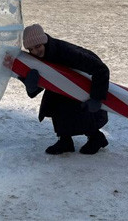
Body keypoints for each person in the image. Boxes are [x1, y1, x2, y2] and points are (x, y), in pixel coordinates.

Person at [17, 24, 110, 155]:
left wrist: (96, 98)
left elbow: (101, 69)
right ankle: (65, 141)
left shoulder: (67, 52)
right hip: (62, 87)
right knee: (56, 104)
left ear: (45, 42)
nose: (36, 52)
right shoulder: (37, 58)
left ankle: (96, 138)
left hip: (86, 83)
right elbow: (40, 85)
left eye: (38, 46)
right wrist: (31, 85)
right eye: (31, 49)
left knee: (81, 109)